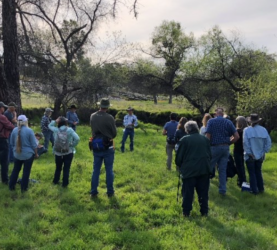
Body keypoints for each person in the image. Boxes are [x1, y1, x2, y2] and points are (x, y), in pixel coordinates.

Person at [175, 121, 212, 217]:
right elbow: (210, 155)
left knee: (188, 193)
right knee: (203, 193)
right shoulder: (205, 139)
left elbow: (179, 157)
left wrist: (179, 165)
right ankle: (204, 212)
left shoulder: (184, 140)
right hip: (204, 169)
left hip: (189, 171)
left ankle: (186, 212)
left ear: (187, 129)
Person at [205, 107, 239, 195]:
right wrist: (229, 143)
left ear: (215, 114)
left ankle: (205, 188)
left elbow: (208, 136)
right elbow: (236, 136)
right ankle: (222, 190)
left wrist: (207, 147)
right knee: (223, 170)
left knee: (209, 168)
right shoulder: (228, 122)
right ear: (223, 114)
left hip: (214, 147)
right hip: (225, 148)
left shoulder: (211, 121)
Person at [90, 98, 117, 197]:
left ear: (99, 106)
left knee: (95, 170)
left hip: (96, 145)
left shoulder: (92, 116)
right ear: (108, 107)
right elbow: (114, 134)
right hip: (107, 146)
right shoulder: (110, 117)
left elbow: (92, 130)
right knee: (109, 169)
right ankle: (110, 192)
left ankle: (93, 192)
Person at [243, 114, 271, 195]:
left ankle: (254, 190)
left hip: (250, 155)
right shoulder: (263, 130)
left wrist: (249, 153)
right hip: (260, 155)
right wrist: (264, 151)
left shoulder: (247, 130)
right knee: (258, 171)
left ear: (250, 121)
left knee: (252, 173)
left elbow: (245, 143)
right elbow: (268, 142)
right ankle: (261, 188)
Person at [9, 115, 38, 192]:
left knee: (15, 170)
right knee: (26, 171)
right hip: (27, 155)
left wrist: (15, 151)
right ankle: (24, 188)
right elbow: (34, 145)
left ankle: (11, 186)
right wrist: (36, 154)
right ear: (26, 121)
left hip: (17, 154)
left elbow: (11, 143)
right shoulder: (29, 131)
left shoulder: (14, 130)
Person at [0, 102, 15, 184]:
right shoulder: (2, 117)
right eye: (3, 107)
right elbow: (11, 126)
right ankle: (5, 180)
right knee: (4, 161)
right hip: (2, 140)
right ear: (1, 108)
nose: (4, 109)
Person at [234, 116, 248, 187]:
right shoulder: (246, 130)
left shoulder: (237, 131)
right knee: (242, 165)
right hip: (244, 149)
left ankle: (241, 180)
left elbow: (233, 139)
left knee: (239, 166)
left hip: (237, 150)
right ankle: (243, 179)